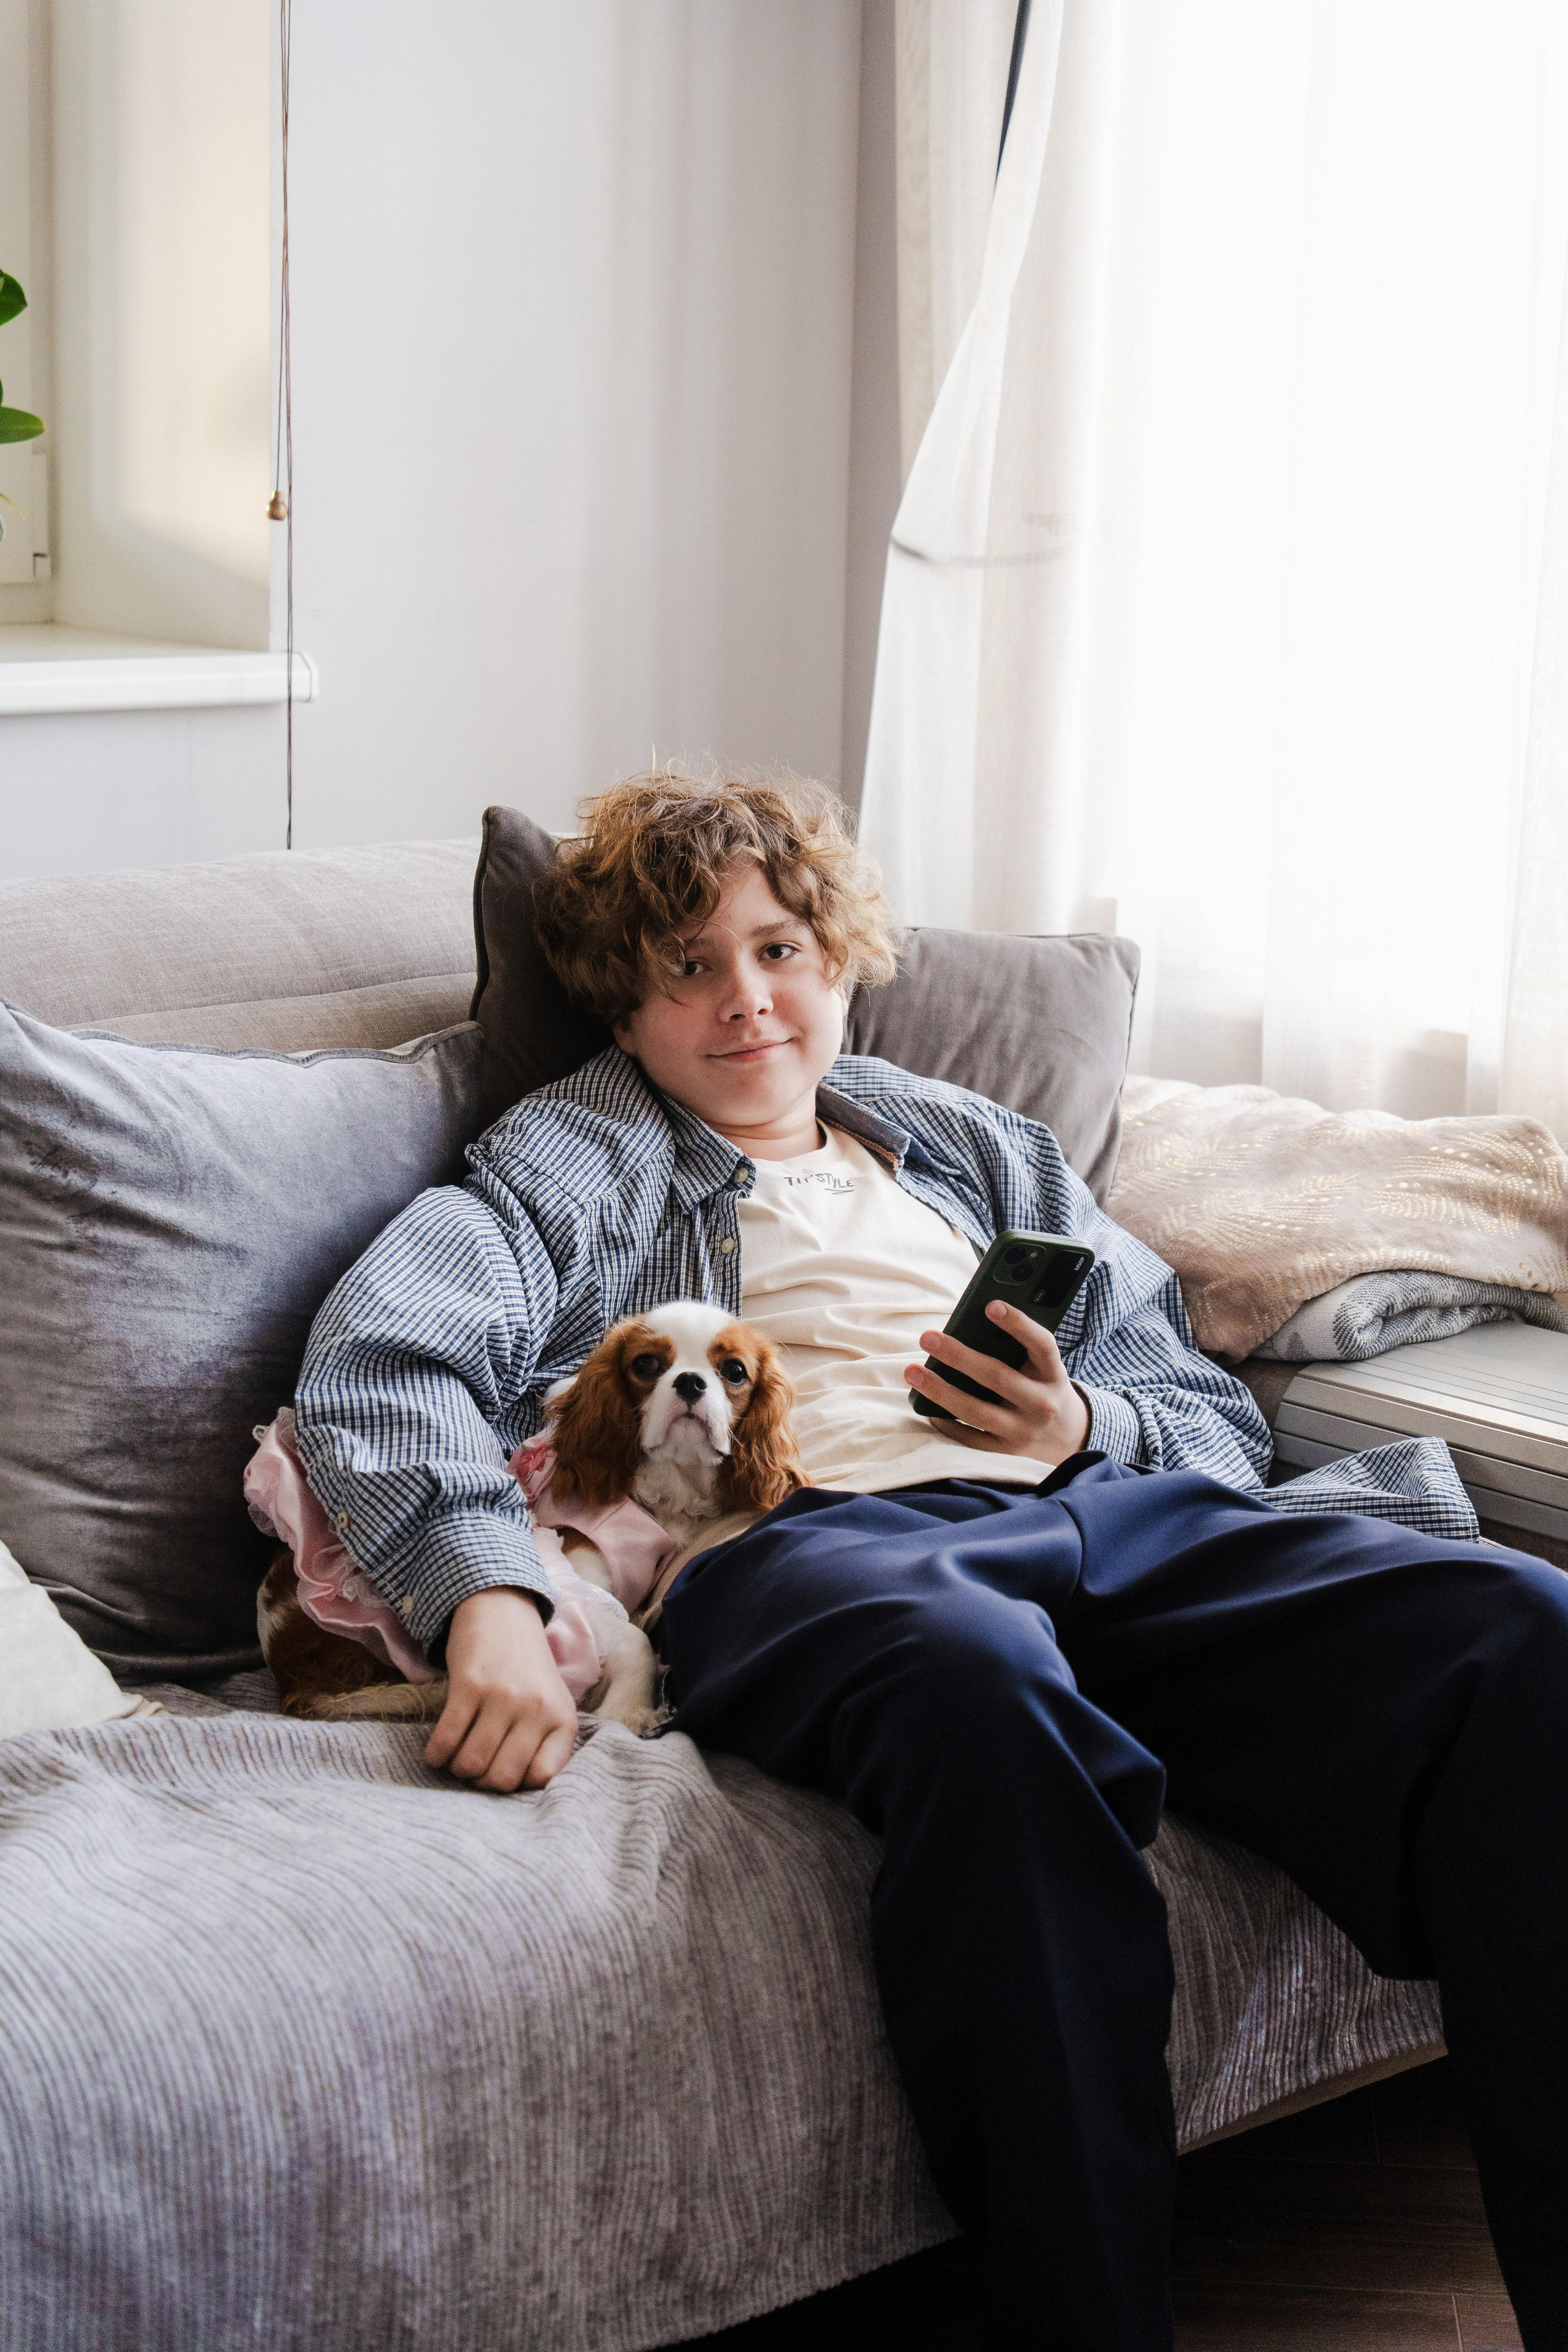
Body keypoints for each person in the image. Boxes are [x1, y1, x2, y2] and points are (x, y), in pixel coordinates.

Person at [295, 772, 1568, 2350]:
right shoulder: (570, 1158)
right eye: (687, 966)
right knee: (982, 1690)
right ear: (625, 1005)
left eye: (777, 948)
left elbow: (1192, 1402)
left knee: (1521, 1628)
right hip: (817, 1548)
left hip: (1094, 1512)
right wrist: (482, 1596)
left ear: (837, 961)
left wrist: (1077, 1422)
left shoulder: (977, 1147)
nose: (745, 999)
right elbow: (379, 1362)